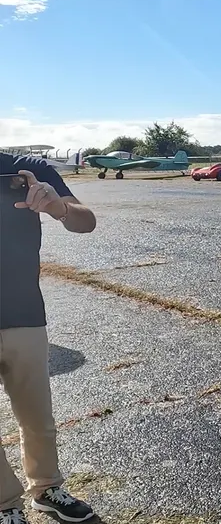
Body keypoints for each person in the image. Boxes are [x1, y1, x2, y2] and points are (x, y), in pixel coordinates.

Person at [0, 152, 98, 523]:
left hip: (25, 315)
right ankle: (6, 505)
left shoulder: (31, 168)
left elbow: (85, 222)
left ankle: (46, 489)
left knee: (38, 417)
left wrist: (58, 208)